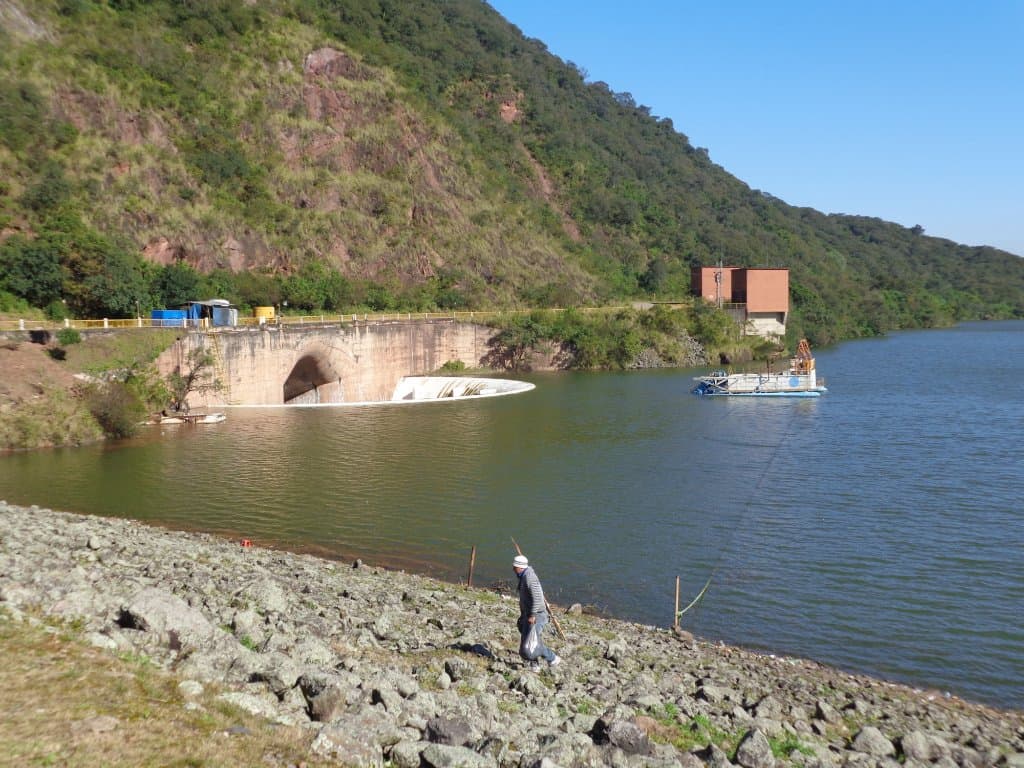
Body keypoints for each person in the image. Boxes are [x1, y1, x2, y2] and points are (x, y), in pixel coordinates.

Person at [513, 555, 561, 667]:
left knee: (532, 642)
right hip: (528, 614)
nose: (513, 569)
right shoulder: (523, 576)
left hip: (537, 615)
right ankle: (534, 665)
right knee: (528, 640)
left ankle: (552, 658)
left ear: (520, 567)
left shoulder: (530, 578)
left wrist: (533, 615)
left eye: (514, 567)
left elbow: (538, 599)